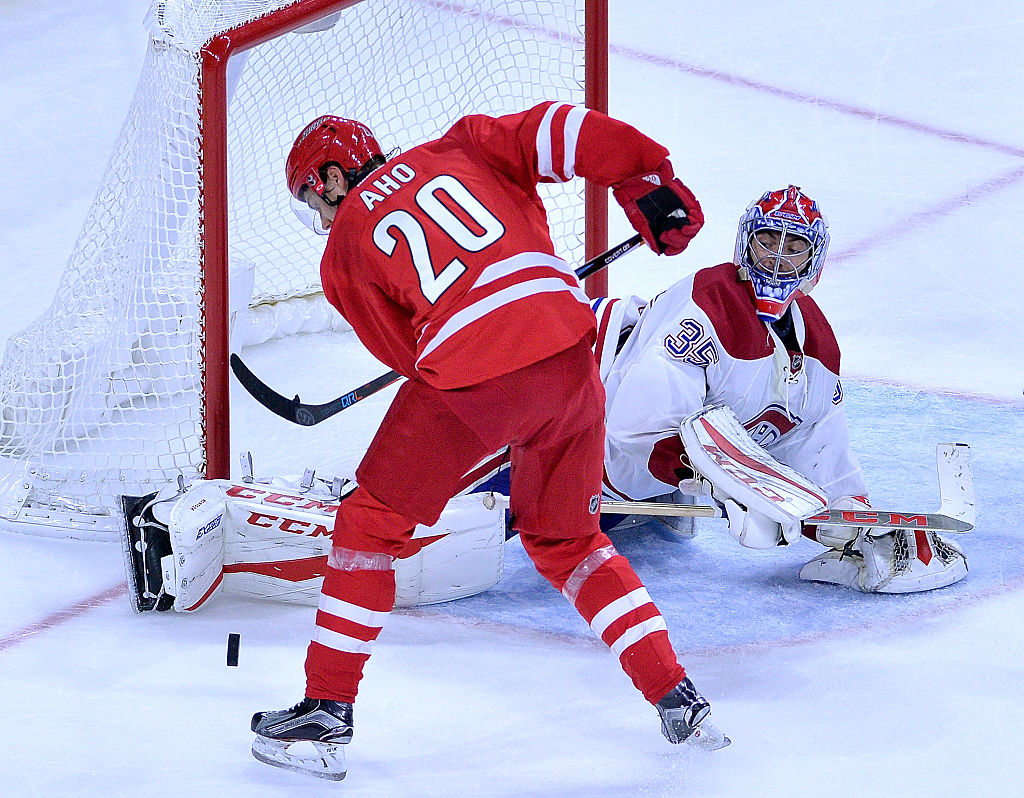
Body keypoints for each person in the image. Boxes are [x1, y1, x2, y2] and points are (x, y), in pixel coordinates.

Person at [246, 103, 725, 779]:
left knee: (369, 523)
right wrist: (642, 176)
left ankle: (326, 709)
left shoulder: (342, 251)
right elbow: (564, 129)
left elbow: (412, 357)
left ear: (330, 178)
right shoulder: (464, 145)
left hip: (476, 380)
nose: (320, 218)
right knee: (568, 542)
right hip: (569, 356)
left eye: (311, 200)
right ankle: (676, 694)